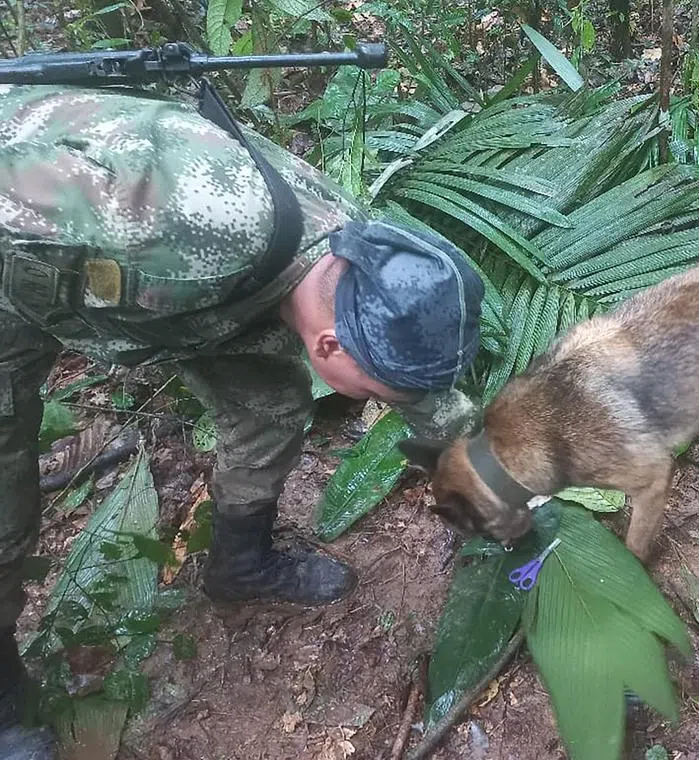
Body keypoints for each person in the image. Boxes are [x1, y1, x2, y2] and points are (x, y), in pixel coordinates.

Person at [0, 82, 484, 758]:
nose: (391, 399)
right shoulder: (166, 225)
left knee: (272, 407)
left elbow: (420, 388)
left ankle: (240, 564)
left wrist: (486, 472)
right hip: (22, 251)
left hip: (163, 292)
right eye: (381, 390)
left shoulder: (355, 258)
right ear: (329, 348)